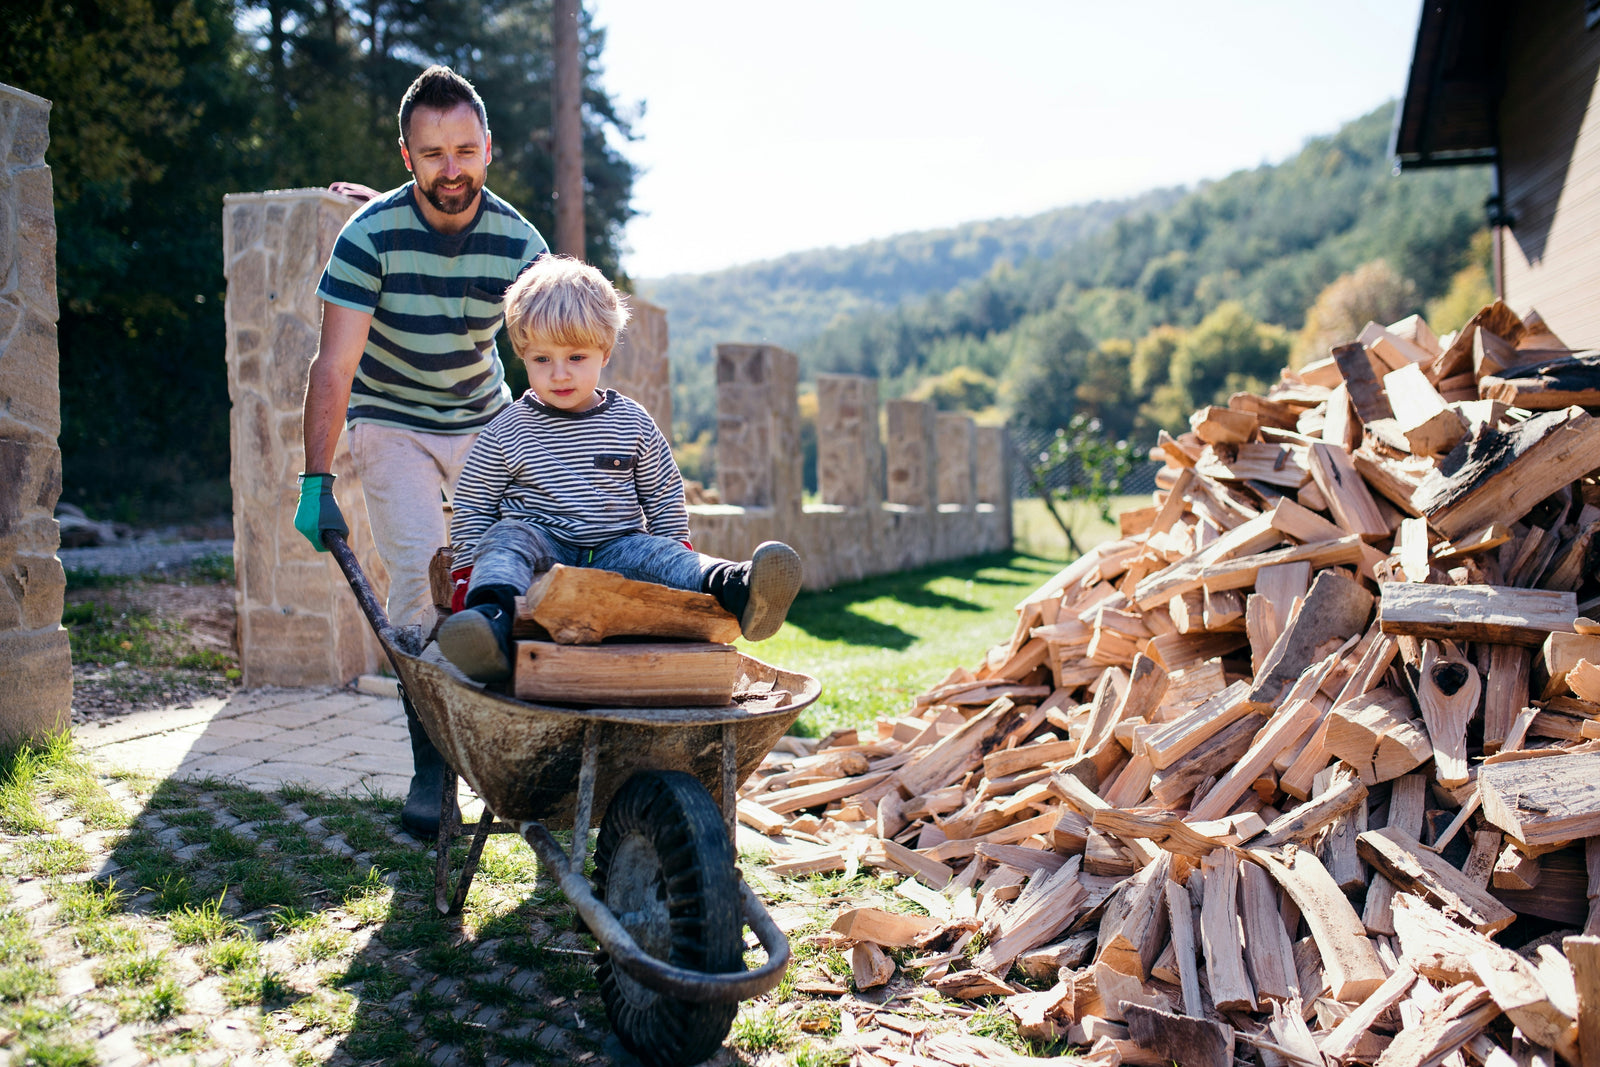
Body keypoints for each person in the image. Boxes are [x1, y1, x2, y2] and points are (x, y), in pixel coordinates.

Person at [294, 64, 548, 839]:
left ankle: (524, 756)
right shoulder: (368, 240)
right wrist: (315, 480)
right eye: (432, 154)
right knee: (418, 578)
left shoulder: (519, 243)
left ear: (489, 149)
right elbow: (334, 366)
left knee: (516, 571)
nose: (451, 170)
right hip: (392, 419)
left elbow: (556, 354)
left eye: (464, 150)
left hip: (482, 417)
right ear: (407, 156)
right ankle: (433, 770)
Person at [436, 256, 802, 682]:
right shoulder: (506, 430)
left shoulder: (630, 422)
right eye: (542, 359)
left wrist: (671, 556)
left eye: (576, 357)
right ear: (522, 354)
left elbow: (662, 494)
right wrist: (463, 575)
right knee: (503, 540)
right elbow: (474, 505)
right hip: (539, 541)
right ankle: (488, 623)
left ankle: (742, 589)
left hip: (615, 544)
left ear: (604, 352)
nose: (559, 374)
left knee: (664, 554)